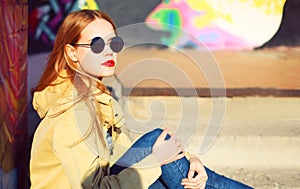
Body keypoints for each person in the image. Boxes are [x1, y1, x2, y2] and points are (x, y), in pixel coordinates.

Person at [30, 9, 253, 189]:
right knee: (158, 148)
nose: (109, 52)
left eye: (113, 43)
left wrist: (188, 160)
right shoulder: (71, 115)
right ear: (71, 53)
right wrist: (156, 161)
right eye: (97, 45)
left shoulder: (97, 99)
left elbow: (125, 153)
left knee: (166, 158)